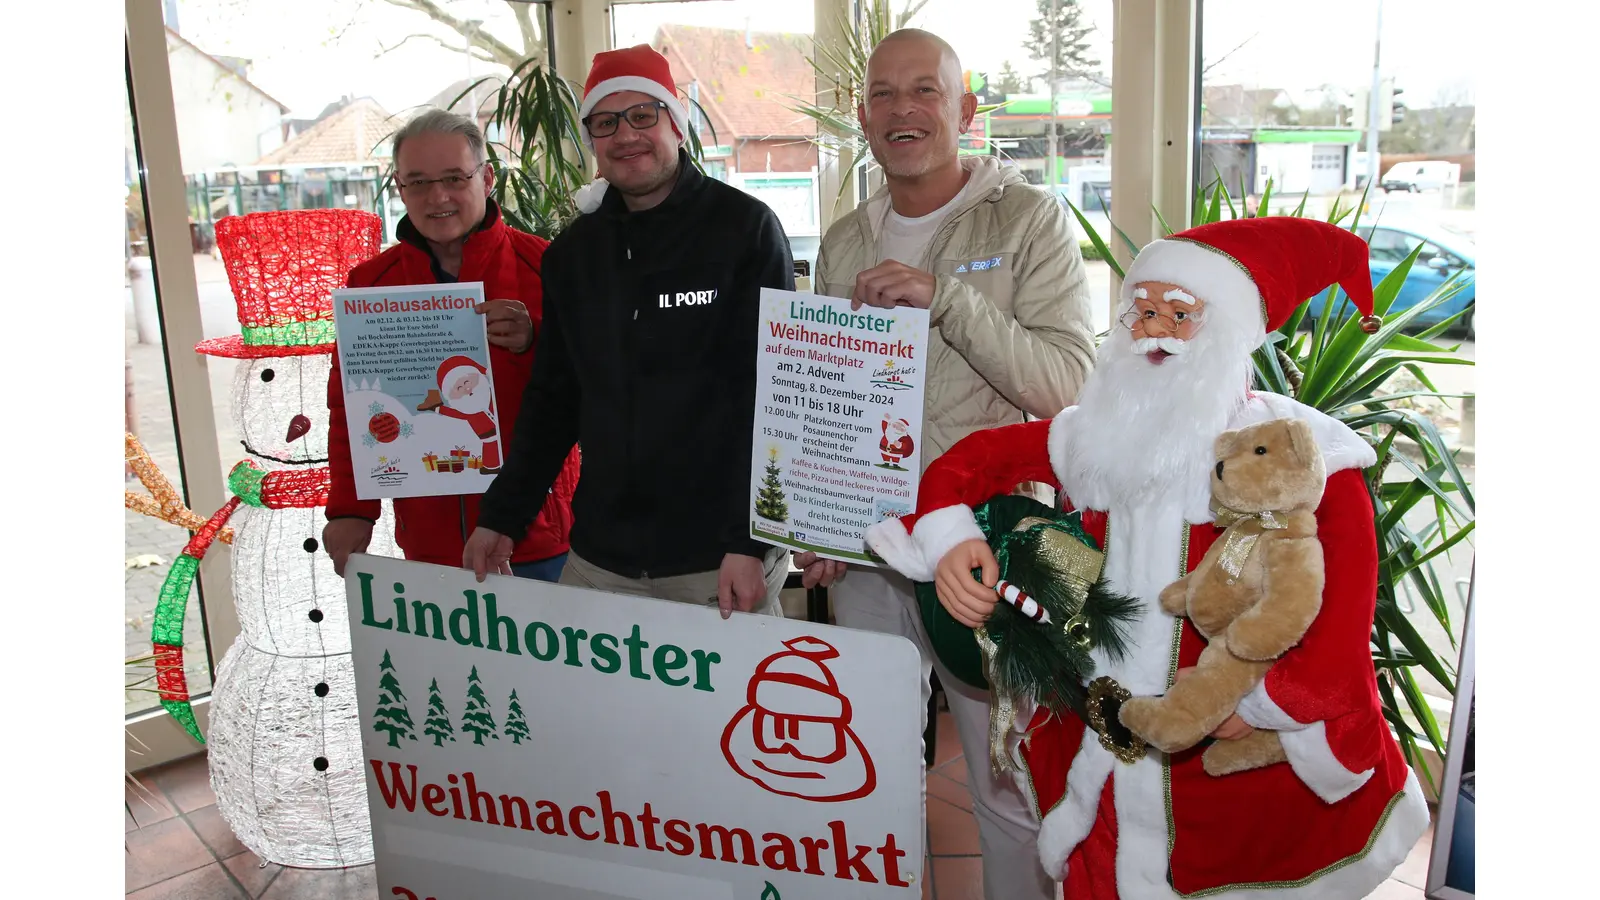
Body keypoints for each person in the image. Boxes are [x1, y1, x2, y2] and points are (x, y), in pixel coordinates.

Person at [865, 217, 1429, 899]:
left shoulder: (1304, 461)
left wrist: (1251, 707)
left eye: (1182, 313)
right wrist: (954, 537)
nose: (1156, 327)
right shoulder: (1098, 435)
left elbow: (1337, 637)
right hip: (1101, 759)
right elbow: (972, 461)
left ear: (1227, 331)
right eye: (1143, 309)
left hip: (1229, 763)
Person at [794, 27, 1097, 900]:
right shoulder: (845, 238)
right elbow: (829, 395)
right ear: (863, 118)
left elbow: (1068, 386)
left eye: (925, 91)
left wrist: (948, 301)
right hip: (870, 551)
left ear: (965, 110)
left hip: (988, 546)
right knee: (869, 771)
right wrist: (816, 520)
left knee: (1008, 785)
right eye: (885, 95)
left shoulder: (1030, 218)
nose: (903, 110)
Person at [463, 45, 795, 619]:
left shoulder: (744, 230)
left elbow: (775, 397)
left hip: (716, 562)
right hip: (601, 558)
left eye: (643, 114)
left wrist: (750, 543)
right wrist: (501, 517)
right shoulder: (572, 255)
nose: (626, 135)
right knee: (589, 711)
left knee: (728, 713)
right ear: (592, 140)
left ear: (677, 125)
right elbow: (554, 401)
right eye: (606, 122)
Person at [324, 108, 579, 583]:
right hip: (429, 543)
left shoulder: (546, 266)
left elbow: (599, 386)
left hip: (538, 539)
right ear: (399, 189)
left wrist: (538, 340)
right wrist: (350, 510)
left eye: (453, 178)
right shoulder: (370, 286)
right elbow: (349, 405)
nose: (437, 197)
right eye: (417, 182)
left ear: (486, 178)